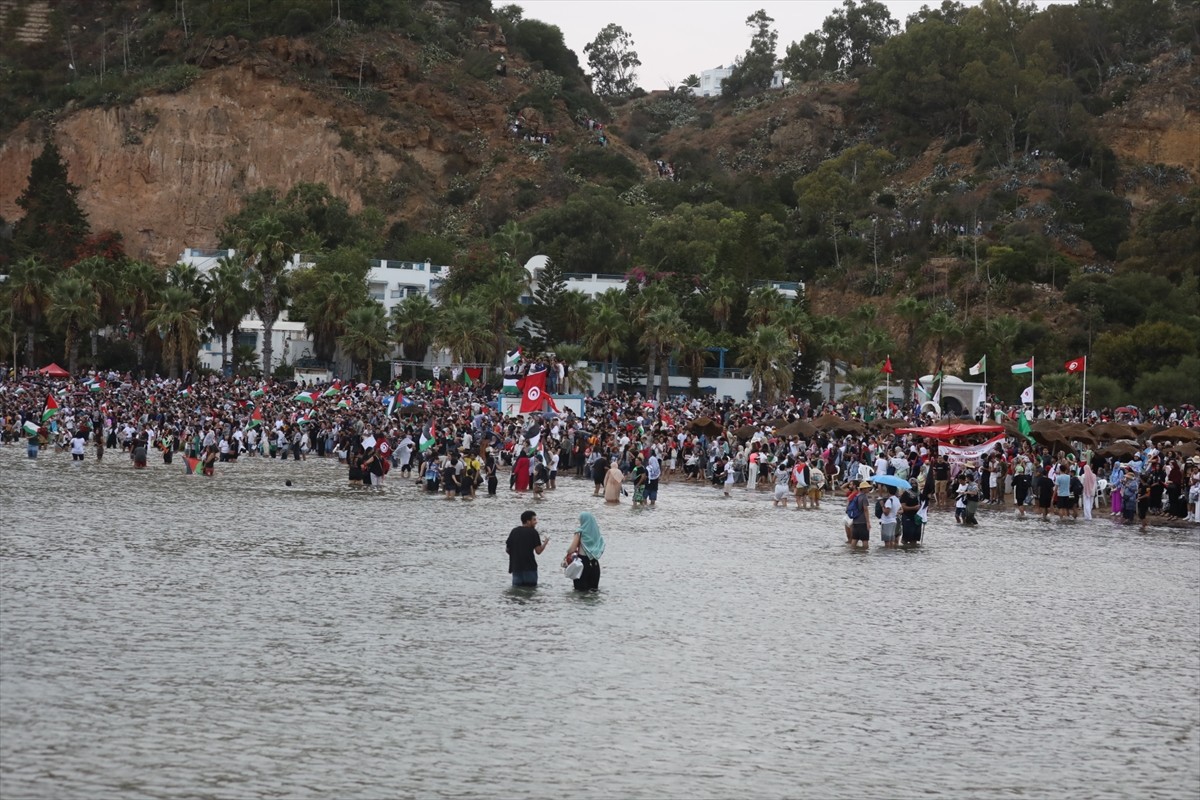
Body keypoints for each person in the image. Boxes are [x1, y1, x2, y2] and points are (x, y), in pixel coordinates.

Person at [563, 511, 605, 592]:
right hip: (595, 564)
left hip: (582, 564)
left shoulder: (580, 532)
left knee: (580, 592)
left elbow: (572, 549)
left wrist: (567, 552)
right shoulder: (597, 533)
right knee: (593, 591)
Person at [506, 510, 548, 587]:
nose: (536, 522)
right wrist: (545, 543)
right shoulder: (533, 532)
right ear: (528, 521)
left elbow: (508, 550)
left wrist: (517, 554)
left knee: (517, 591)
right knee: (531, 591)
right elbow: (538, 551)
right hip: (530, 569)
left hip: (516, 568)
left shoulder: (514, 531)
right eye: (534, 520)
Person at [848, 480, 871, 548]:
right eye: (867, 488)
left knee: (855, 539)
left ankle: (852, 552)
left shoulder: (857, 496)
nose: (869, 489)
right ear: (864, 489)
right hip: (862, 522)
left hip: (855, 521)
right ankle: (864, 553)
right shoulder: (864, 497)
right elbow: (865, 510)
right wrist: (868, 522)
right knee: (865, 540)